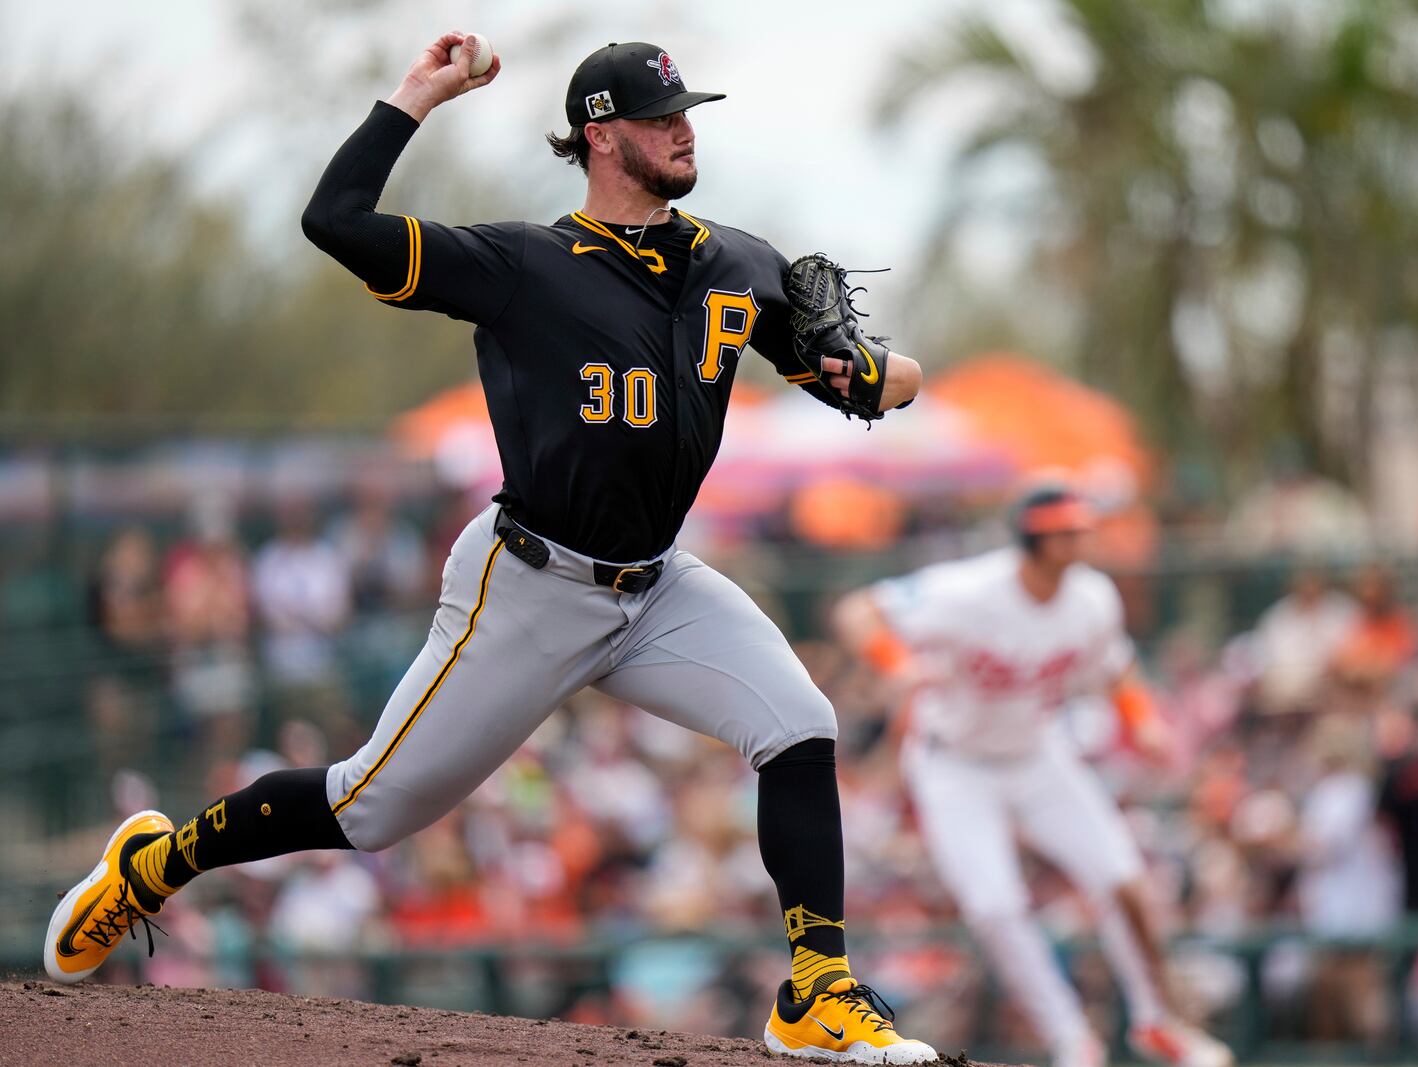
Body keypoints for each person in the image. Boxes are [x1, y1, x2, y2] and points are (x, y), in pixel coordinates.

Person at [46, 35, 935, 1065]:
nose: (683, 128)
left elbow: (879, 383)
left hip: (657, 585)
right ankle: (155, 863)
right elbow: (334, 222)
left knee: (800, 722)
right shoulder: (524, 265)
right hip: (528, 582)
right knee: (369, 807)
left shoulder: (736, 260)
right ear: (602, 137)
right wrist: (414, 97)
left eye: (687, 110)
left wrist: (870, 364)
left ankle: (816, 993)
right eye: (659, 116)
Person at [833, 477, 1233, 1067]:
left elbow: (1115, 666)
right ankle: (1071, 1040)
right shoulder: (968, 591)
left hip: (1038, 753)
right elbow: (857, 610)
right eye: (1066, 532)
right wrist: (895, 664)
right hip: (954, 763)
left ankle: (1157, 1021)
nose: (1079, 542)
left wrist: (1141, 719)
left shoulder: (1092, 597)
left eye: (1081, 531)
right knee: (994, 906)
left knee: (1123, 878)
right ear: (1034, 538)